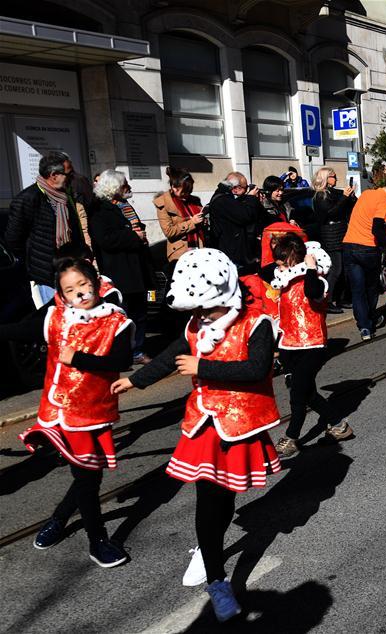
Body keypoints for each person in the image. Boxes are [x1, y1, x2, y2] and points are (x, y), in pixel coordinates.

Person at [112, 248, 282, 622]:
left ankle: (209, 551)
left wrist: (203, 365)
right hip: (204, 427)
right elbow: (171, 356)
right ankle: (217, 578)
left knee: (224, 499)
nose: (198, 318)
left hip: (239, 427)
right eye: (195, 312)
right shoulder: (195, 325)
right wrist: (134, 381)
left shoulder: (258, 324)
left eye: (204, 310)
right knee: (207, 499)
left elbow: (256, 369)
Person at [2, 257, 133, 567]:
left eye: (84, 285)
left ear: (96, 284)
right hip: (57, 412)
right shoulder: (54, 317)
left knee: (90, 474)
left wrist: (78, 358)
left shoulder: (116, 320)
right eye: (69, 289)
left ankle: (59, 520)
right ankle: (97, 540)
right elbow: (17, 330)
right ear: (60, 293)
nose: (79, 293)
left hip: (92, 412)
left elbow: (121, 361)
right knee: (87, 476)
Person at [269, 234, 352, 459]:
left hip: (312, 344)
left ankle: (292, 437)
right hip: (288, 344)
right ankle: (338, 425)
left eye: (282, 258)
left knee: (298, 394)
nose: (277, 263)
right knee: (306, 391)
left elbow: (312, 292)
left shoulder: (317, 280)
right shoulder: (283, 281)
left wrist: (310, 267)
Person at [89, 170, 153, 365]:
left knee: (139, 313)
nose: (129, 188)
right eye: (124, 185)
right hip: (120, 271)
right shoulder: (100, 211)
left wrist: (138, 235)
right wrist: (134, 236)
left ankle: (137, 350)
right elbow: (105, 240)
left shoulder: (124, 206)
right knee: (121, 314)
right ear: (114, 188)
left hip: (137, 269)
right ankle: (121, 353)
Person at [6, 151, 85, 306]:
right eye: (69, 174)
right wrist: (36, 263)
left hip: (70, 268)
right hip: (47, 275)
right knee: (56, 319)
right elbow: (13, 240)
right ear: (54, 175)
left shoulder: (64, 197)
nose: (72, 177)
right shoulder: (28, 198)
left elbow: (74, 230)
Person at [342, 177, 386, 340]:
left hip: (349, 246)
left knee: (357, 290)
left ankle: (364, 327)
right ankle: (370, 318)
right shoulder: (383, 203)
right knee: (372, 288)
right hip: (367, 249)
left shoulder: (366, 194)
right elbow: (377, 230)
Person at [311, 167, 357, 314]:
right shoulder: (320, 195)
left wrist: (351, 196)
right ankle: (328, 300)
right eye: (333, 176)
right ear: (325, 178)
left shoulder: (334, 192)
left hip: (342, 231)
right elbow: (330, 213)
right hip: (330, 233)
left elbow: (350, 206)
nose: (336, 179)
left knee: (344, 269)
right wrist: (344, 198)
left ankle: (341, 298)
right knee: (335, 268)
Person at [205, 172, 263, 274]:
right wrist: (251, 198)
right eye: (245, 188)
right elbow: (245, 216)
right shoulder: (223, 201)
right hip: (231, 256)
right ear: (235, 188)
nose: (246, 191)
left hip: (234, 253)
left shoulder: (226, 199)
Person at [154, 167, 205, 264]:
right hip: (180, 253)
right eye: (184, 192)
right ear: (174, 187)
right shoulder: (162, 203)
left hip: (199, 248)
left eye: (189, 191)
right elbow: (169, 232)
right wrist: (191, 223)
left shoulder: (194, 200)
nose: (187, 195)